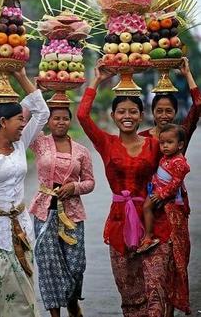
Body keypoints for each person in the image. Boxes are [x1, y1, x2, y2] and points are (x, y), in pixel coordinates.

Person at [77, 60, 172, 316]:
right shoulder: (106, 143)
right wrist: (96, 81)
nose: (127, 116)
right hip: (119, 223)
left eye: (133, 112)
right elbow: (83, 116)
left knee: (155, 291)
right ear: (113, 116)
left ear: (142, 116)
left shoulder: (154, 144)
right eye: (121, 112)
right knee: (129, 294)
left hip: (153, 222)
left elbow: (185, 126)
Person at [0, 68, 49, 317]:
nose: (23, 124)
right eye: (19, 120)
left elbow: (42, 113)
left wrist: (21, 77)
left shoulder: (20, 145)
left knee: (23, 296)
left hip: (20, 229)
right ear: (3, 123)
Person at [138, 57, 199, 316]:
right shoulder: (141, 139)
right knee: (153, 271)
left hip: (174, 210)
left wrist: (187, 75)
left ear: (175, 113)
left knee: (177, 265)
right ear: (152, 112)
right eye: (159, 110)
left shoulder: (179, 134)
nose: (164, 115)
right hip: (150, 209)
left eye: (168, 111)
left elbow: (199, 106)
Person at [27, 107, 94, 317]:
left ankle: (72, 302)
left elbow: (90, 182)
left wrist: (75, 187)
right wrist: (38, 95)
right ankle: (55, 313)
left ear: (70, 122)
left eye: (65, 118)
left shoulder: (81, 151)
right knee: (48, 266)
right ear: (48, 122)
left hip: (72, 213)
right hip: (44, 211)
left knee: (76, 265)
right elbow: (25, 117)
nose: (61, 122)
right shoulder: (39, 143)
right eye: (56, 118)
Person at [138, 124, 190, 254]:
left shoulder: (179, 162)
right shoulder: (166, 157)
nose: (165, 146)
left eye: (169, 142)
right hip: (156, 189)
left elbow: (175, 183)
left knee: (146, 207)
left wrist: (161, 194)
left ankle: (148, 237)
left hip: (162, 193)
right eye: (162, 143)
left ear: (180, 145)